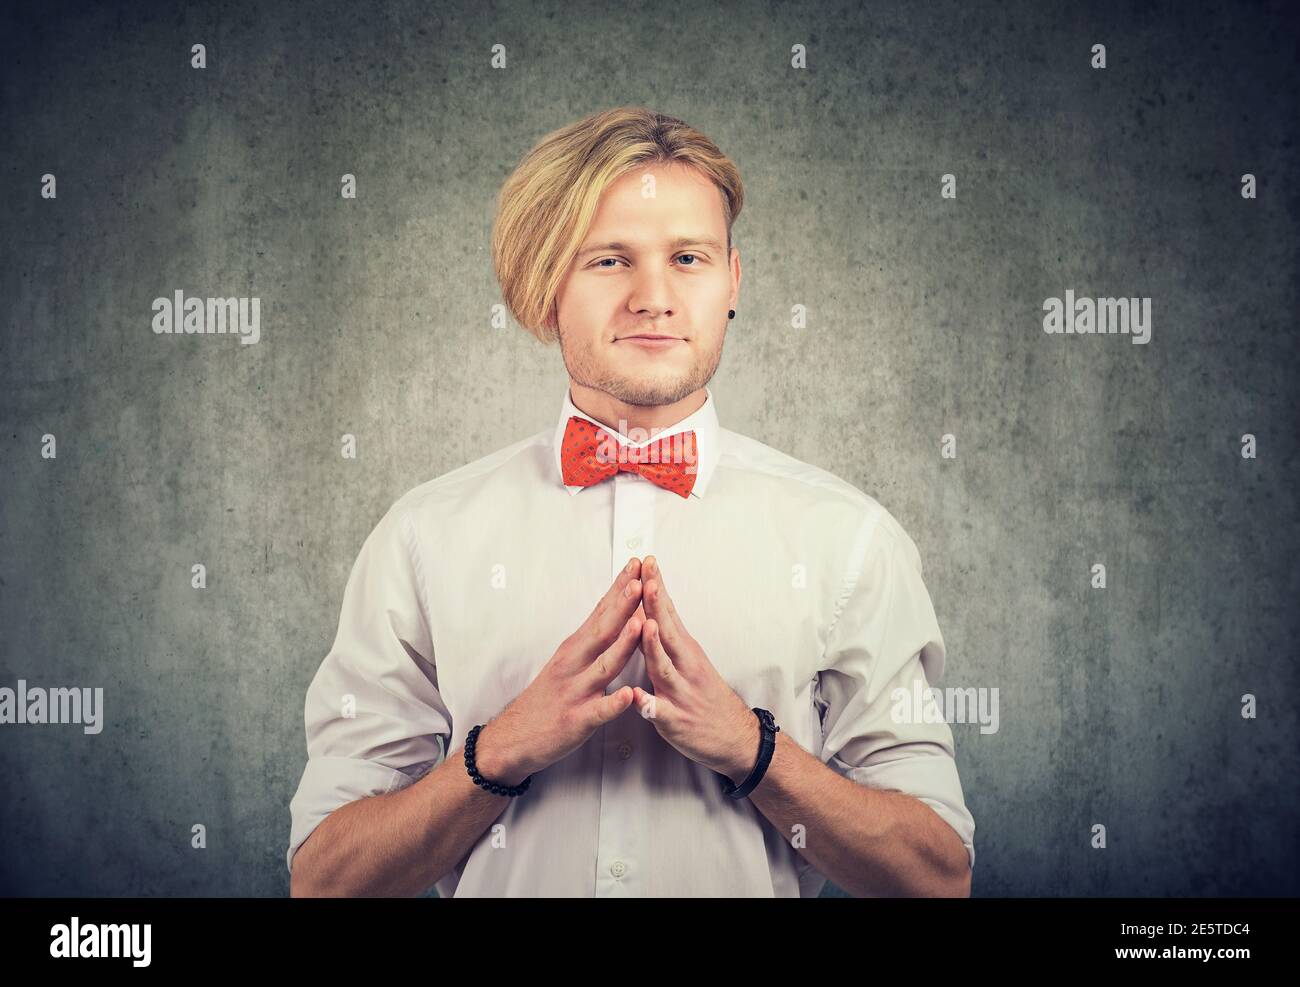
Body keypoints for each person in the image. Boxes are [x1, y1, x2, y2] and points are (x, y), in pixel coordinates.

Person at [287, 106, 975, 897]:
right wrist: (499, 750)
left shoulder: (853, 542)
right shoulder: (419, 539)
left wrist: (753, 751)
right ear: (545, 286)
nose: (655, 296)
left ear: (732, 282)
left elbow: (938, 873)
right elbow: (323, 878)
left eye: (688, 256)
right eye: (610, 260)